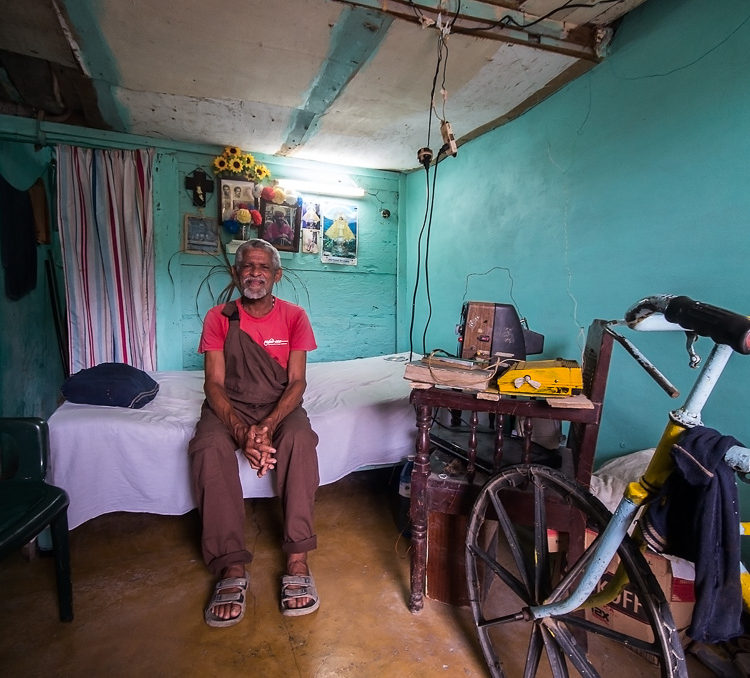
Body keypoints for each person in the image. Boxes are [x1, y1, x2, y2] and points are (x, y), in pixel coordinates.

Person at [188, 238, 320, 627]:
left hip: (278, 405)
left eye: (263, 268)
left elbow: (297, 383)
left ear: (276, 275)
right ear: (236, 272)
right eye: (247, 266)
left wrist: (266, 427)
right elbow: (213, 385)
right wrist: (242, 430)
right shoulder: (219, 317)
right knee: (208, 446)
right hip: (230, 404)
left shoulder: (295, 317)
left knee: (300, 439)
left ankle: (297, 557)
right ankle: (230, 566)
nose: (255, 274)